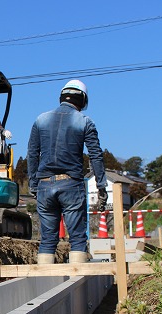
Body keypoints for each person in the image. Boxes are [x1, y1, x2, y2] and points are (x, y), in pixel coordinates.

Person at [27, 79, 108, 264]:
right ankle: (78, 289)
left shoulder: (41, 119)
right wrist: (101, 186)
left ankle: (46, 287)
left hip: (44, 185)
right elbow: (96, 155)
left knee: (47, 241)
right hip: (71, 184)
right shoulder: (85, 121)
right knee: (78, 240)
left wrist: (33, 184)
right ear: (83, 100)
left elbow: (32, 154)